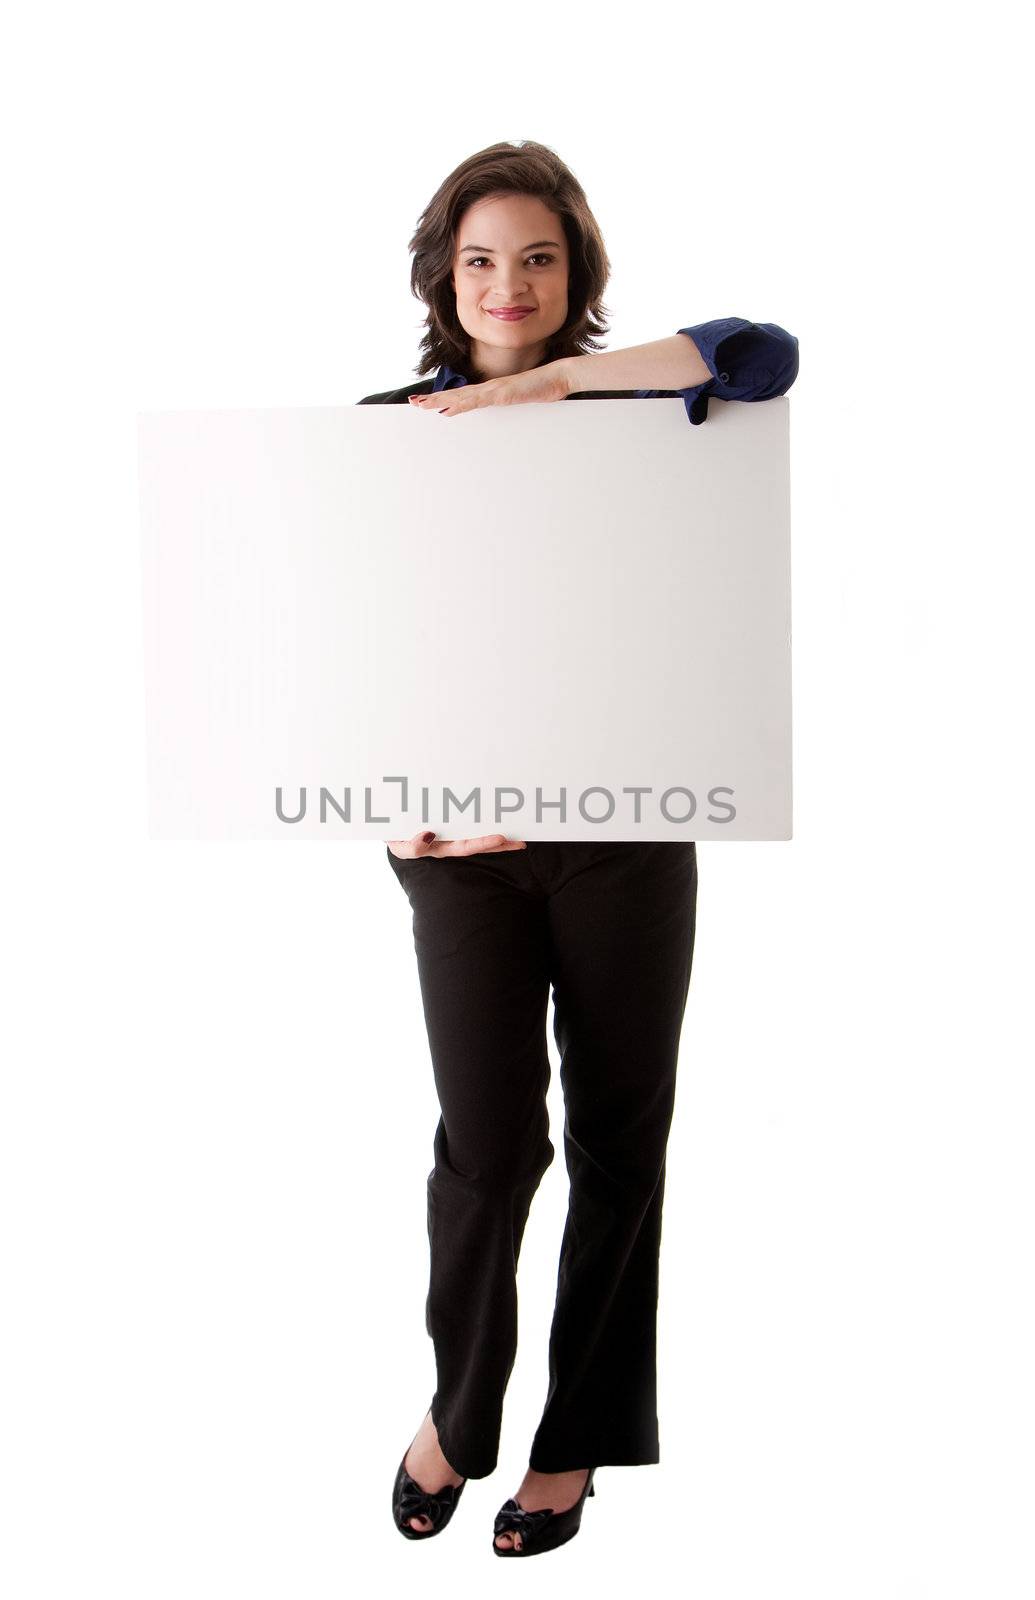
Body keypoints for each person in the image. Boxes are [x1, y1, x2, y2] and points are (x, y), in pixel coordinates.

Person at [359, 139, 799, 1558]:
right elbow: (324, 648)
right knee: (487, 1149)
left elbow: (766, 352)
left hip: (626, 845)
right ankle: (459, 1414)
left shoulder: (638, 404)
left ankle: (577, 1442)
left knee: (622, 1141)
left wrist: (552, 388)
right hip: (463, 858)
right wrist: (380, 800)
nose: (509, 282)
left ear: (574, 275)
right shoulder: (386, 431)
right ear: (444, 272)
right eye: (481, 258)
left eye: (538, 258)